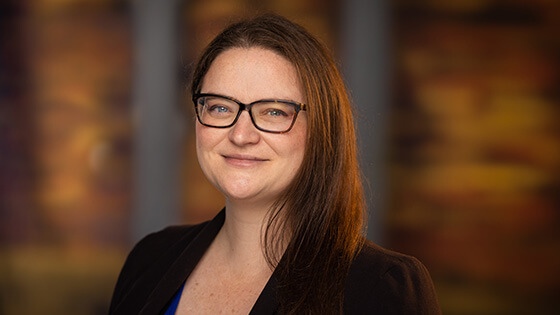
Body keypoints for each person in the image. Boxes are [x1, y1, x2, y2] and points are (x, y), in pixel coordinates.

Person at [109, 13, 441, 314]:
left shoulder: (380, 287)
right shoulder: (150, 259)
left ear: (322, 128)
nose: (241, 135)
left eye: (273, 112)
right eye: (221, 107)